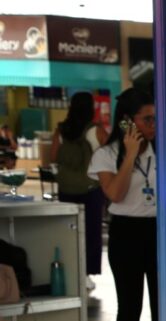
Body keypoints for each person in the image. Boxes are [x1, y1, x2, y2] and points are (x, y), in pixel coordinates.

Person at [87, 88, 158, 321]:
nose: (153, 125)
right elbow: (115, 194)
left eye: (155, 118)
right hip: (126, 234)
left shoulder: (162, 149)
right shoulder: (106, 154)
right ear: (128, 122)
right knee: (130, 309)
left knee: (162, 311)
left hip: (158, 232)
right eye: (147, 119)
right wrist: (130, 155)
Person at [52, 92, 108, 287]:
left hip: (66, 189)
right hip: (90, 189)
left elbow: (53, 157)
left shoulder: (61, 130)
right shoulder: (95, 131)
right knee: (91, 233)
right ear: (91, 108)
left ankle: (70, 270)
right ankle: (86, 275)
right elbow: (110, 155)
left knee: (68, 231)